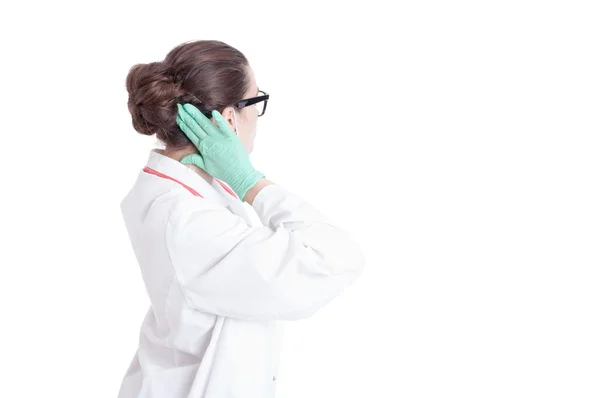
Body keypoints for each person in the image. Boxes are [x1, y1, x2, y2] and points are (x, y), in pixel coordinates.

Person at [119, 39, 365, 398]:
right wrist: (250, 182)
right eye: (256, 101)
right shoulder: (189, 219)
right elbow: (335, 257)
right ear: (231, 117)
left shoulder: (177, 188)